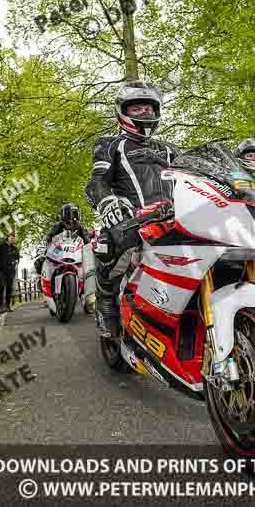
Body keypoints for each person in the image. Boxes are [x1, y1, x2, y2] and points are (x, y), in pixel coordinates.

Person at [85, 80, 179, 337]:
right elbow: (96, 181)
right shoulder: (110, 145)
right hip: (132, 217)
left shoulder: (170, 149)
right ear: (123, 111)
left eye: (148, 108)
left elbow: (196, 177)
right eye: (136, 108)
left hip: (176, 217)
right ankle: (106, 301)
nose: (144, 113)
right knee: (107, 242)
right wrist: (107, 201)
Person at [34, 204, 92, 275]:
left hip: (76, 255)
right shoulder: (57, 226)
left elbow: (87, 243)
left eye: (75, 214)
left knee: (91, 266)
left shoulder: (80, 228)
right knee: (39, 262)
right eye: (69, 215)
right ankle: (43, 280)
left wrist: (90, 250)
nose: (72, 219)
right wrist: (42, 252)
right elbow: (47, 239)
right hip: (59, 253)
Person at [0, 232, 20, 313]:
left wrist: (16, 264)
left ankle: (7, 306)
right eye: (11, 238)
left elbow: (17, 258)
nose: (13, 239)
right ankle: (0, 307)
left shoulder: (15, 248)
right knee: (1, 287)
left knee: (9, 288)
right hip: (1, 270)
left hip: (11, 271)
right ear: (8, 238)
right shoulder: (0, 246)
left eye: (14, 238)